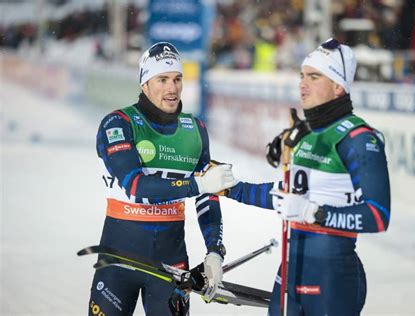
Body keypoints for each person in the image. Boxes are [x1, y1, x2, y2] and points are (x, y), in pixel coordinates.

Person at [225, 38, 391, 315]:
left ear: (338, 86)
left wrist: (314, 213)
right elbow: (289, 195)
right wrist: (232, 189)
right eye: (302, 76)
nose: (303, 84)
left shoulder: (359, 138)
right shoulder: (306, 133)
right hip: (290, 271)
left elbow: (377, 215)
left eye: (314, 77)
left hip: (332, 276)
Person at [88, 42, 236, 315]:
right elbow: (136, 187)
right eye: (162, 79)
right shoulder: (119, 123)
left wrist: (215, 251)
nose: (172, 88)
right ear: (144, 84)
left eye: (177, 79)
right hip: (118, 265)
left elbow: (207, 196)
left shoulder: (195, 130)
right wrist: (199, 184)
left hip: (171, 267)